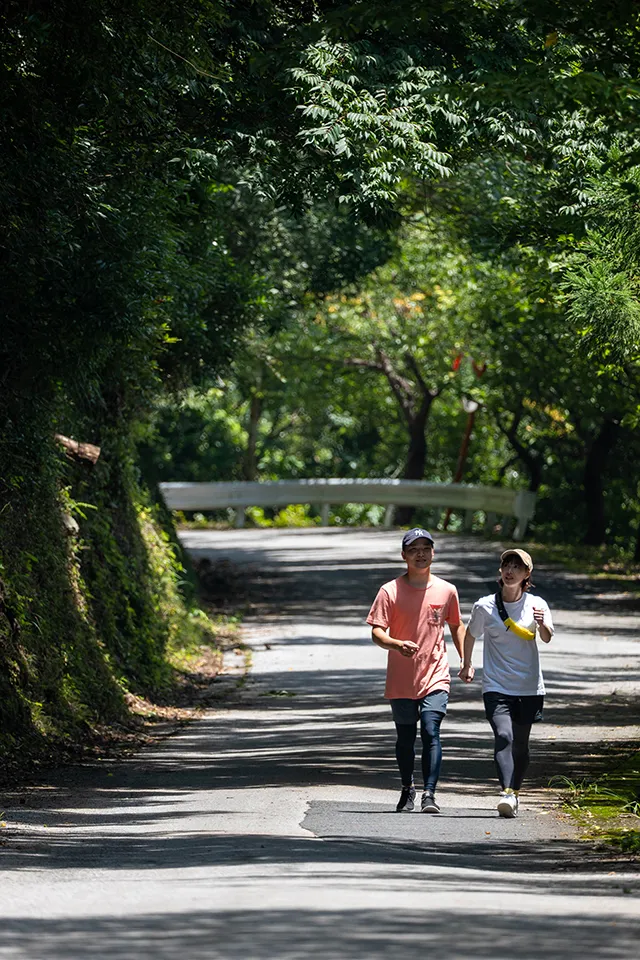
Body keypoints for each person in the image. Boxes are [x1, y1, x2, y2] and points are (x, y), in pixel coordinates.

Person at [367, 528, 464, 814]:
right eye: (414, 549)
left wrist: (466, 659)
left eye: (426, 548)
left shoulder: (447, 590)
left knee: (432, 731)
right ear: (404, 555)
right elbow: (377, 632)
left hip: (436, 673)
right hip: (401, 679)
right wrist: (396, 644)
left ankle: (429, 794)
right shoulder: (390, 591)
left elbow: (456, 626)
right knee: (406, 737)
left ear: (433, 553)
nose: (420, 554)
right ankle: (407, 788)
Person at [458, 548, 554, 818]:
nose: (510, 571)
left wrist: (541, 625)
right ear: (500, 571)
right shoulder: (484, 606)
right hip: (496, 684)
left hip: (529, 686)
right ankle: (507, 793)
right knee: (504, 736)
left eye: (517, 567)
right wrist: (466, 663)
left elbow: (546, 637)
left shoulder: (538, 605)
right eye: (506, 566)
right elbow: (470, 634)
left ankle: (515, 791)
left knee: (521, 745)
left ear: (527, 575)